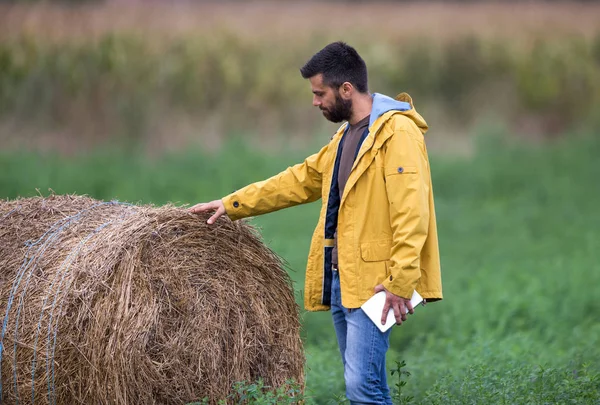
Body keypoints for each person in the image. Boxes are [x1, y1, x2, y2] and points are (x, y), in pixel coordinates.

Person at [190, 41, 442, 405]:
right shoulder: (344, 137)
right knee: (366, 384)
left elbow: (411, 213)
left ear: (345, 89)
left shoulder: (397, 134)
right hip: (343, 280)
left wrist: (400, 283)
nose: (315, 102)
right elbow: (297, 181)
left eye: (319, 93)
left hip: (377, 284)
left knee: (362, 388)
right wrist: (232, 205)